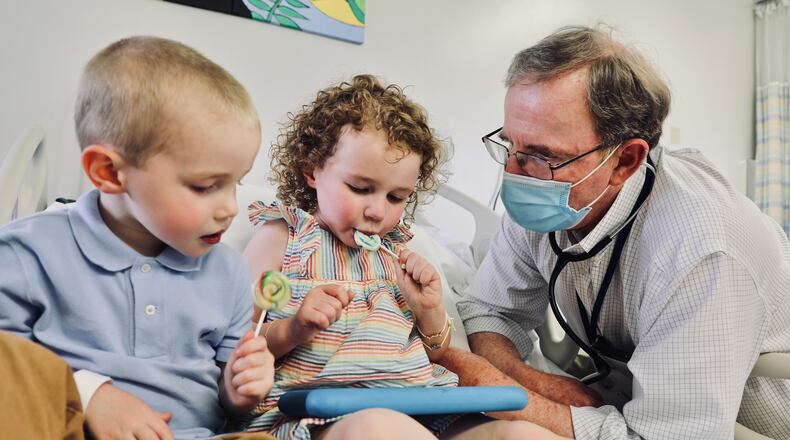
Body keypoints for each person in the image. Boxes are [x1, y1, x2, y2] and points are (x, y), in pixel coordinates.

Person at [455, 25, 790, 439]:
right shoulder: (546, 200)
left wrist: (509, 397)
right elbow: (490, 312)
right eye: (510, 146)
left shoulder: (702, 248)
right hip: (636, 406)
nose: (515, 175)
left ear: (625, 161)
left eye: (544, 155)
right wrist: (532, 382)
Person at [241, 74, 567, 439]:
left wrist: (428, 311)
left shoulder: (394, 253)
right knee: (381, 428)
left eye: (396, 197)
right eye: (361, 189)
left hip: (421, 405)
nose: (378, 211)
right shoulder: (285, 237)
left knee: (521, 434)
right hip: (319, 415)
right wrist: (294, 328)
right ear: (311, 171)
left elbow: (437, 349)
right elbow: (237, 342)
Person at [0, 36, 277, 439]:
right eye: (205, 186)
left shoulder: (229, 273)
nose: (229, 208)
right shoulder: (31, 252)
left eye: (235, 183)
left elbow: (221, 399)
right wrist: (89, 394)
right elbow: (12, 367)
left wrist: (238, 389)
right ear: (109, 173)